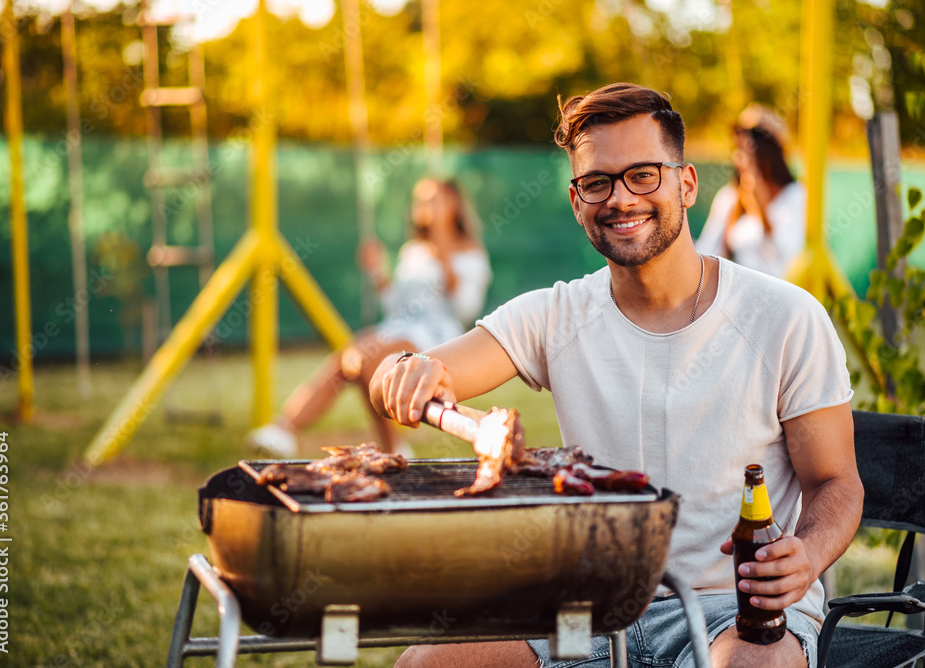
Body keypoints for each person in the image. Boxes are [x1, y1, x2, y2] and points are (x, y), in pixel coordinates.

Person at [369, 83, 863, 668]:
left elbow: (837, 484)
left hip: (734, 606)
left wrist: (804, 555)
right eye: (598, 182)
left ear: (686, 183)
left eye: (644, 175)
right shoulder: (556, 315)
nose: (621, 198)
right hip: (590, 610)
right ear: (578, 201)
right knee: (424, 665)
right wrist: (404, 370)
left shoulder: (786, 316)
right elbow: (411, 375)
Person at [248, 177, 491, 457]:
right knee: (349, 359)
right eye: (421, 200)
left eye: (434, 199)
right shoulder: (413, 252)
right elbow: (395, 306)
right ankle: (283, 429)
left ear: (453, 206)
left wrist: (443, 255)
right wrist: (378, 273)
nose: (426, 206)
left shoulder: (471, 254)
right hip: (399, 328)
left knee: (363, 358)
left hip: (438, 338)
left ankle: (393, 446)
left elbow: (466, 310)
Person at [696, 105, 806, 279]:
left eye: (750, 146)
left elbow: (788, 259)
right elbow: (707, 251)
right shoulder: (729, 197)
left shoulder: (796, 195)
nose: (741, 157)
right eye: (738, 147)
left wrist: (761, 210)